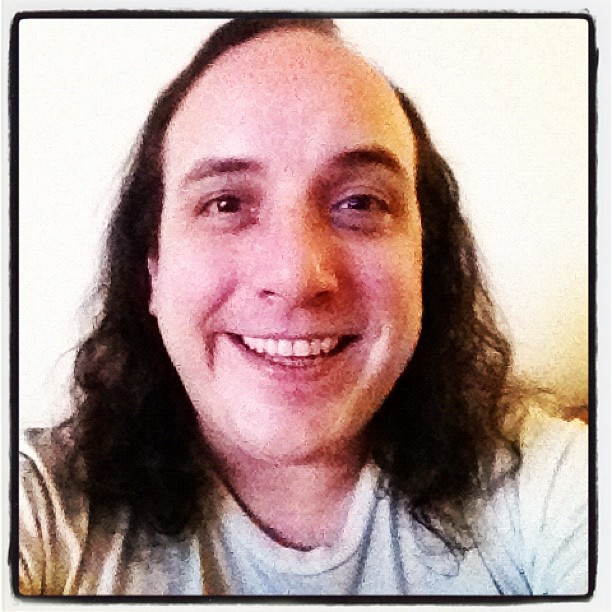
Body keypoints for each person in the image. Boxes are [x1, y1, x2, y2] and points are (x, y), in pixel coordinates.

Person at [18, 17, 588, 596]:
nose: (295, 277)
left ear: (425, 259)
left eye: (361, 202)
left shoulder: (549, 482)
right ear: (153, 268)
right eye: (226, 203)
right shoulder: (39, 505)